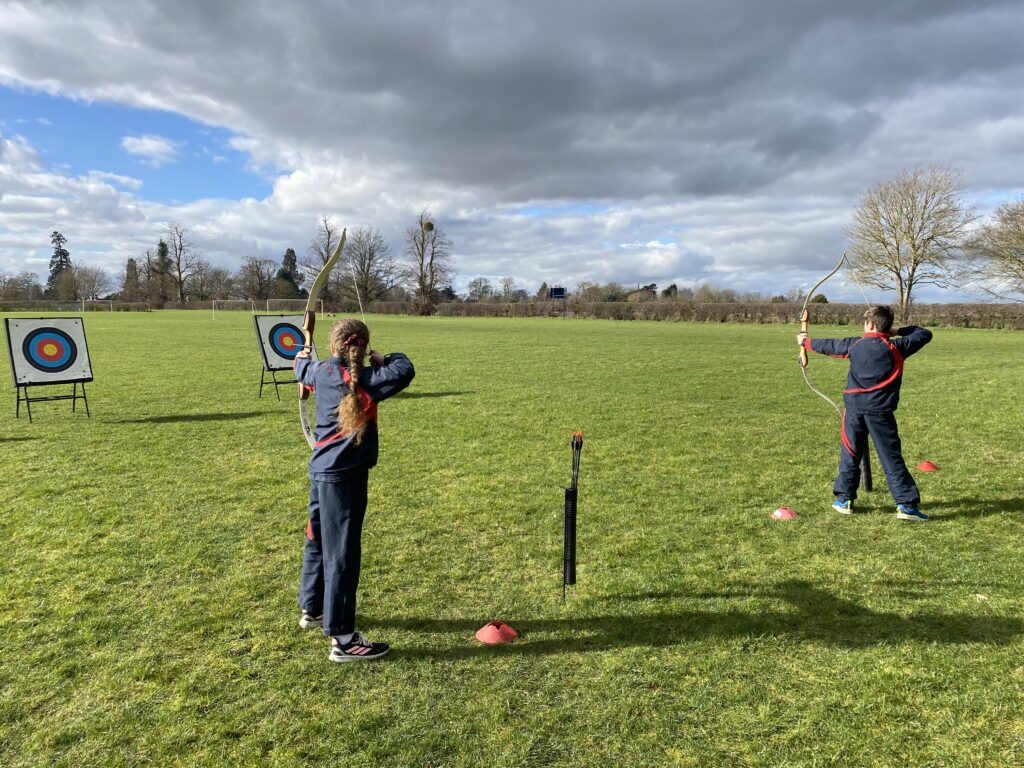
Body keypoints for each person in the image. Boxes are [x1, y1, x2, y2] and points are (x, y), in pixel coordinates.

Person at [293, 318, 414, 661]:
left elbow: (300, 366)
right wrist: (380, 358)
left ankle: (313, 609)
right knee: (342, 554)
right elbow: (404, 368)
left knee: (317, 540)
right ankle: (343, 640)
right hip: (344, 480)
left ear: (334, 346)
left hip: (320, 473)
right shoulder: (369, 380)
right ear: (360, 348)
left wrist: (303, 352)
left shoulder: (320, 372)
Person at [797, 306, 932, 521]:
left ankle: (844, 499)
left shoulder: (855, 344)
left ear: (869, 325)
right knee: (891, 457)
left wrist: (805, 342)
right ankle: (905, 505)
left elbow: (829, 345)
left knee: (850, 453)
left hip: (854, 411)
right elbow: (924, 334)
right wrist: (896, 331)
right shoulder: (899, 345)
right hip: (881, 413)